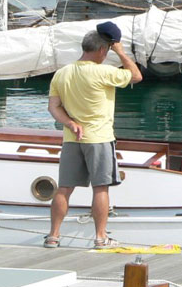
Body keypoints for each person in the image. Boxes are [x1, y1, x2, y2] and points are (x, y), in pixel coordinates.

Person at [44, 22, 143, 249]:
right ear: (101, 50)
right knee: (101, 188)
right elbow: (136, 76)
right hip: (99, 138)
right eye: (107, 50)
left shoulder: (62, 73)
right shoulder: (104, 72)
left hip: (71, 139)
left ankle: (53, 236)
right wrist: (120, 51)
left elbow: (53, 107)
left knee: (64, 188)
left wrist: (70, 123)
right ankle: (100, 237)